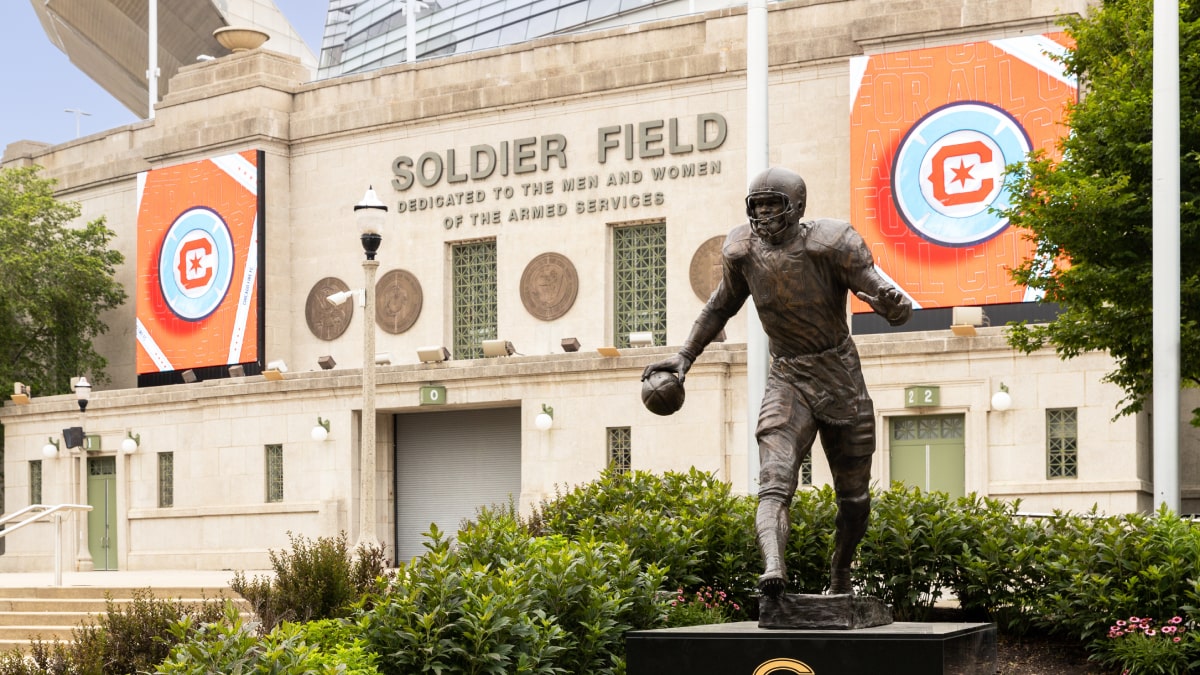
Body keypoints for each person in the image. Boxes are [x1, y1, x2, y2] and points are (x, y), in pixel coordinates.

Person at [642, 166, 911, 597]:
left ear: (798, 208)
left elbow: (876, 291)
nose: (764, 213)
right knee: (774, 480)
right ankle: (773, 569)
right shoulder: (742, 251)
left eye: (774, 204)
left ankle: (841, 572)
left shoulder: (832, 242)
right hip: (787, 376)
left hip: (840, 376)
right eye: (758, 205)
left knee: (855, 500)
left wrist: (893, 306)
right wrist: (684, 357)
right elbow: (718, 308)